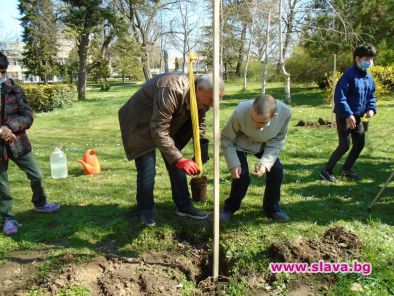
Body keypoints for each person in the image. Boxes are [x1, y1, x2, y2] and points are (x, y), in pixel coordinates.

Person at [119, 73, 224, 227]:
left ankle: (184, 206)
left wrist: (201, 148)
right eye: (211, 100)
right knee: (148, 168)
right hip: (140, 121)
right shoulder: (172, 88)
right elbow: (159, 129)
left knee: (176, 164)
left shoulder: (202, 98)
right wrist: (179, 159)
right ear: (199, 89)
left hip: (164, 122)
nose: (212, 104)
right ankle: (145, 210)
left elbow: (199, 122)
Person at [0, 51, 60, 236]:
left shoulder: (14, 89)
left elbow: (27, 116)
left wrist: (9, 127)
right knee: (2, 184)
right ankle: (7, 218)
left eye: (1, 71)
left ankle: (40, 203)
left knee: (36, 175)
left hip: (17, 140)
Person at [220, 94, 291, 222]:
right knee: (242, 176)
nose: (256, 125)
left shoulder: (285, 113)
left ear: (274, 115)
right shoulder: (241, 111)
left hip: (265, 144)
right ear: (252, 108)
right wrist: (233, 163)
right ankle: (230, 208)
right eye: (253, 119)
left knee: (277, 170)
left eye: (262, 122)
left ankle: (271, 208)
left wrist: (265, 163)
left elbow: (278, 140)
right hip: (241, 142)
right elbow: (227, 138)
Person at [320, 44, 377, 182]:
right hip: (344, 116)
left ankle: (346, 169)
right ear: (357, 59)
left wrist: (371, 109)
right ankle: (326, 171)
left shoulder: (369, 78)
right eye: (367, 58)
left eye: (371, 59)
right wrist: (347, 114)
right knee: (345, 145)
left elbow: (371, 96)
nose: (370, 62)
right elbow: (340, 97)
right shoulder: (348, 76)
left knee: (359, 144)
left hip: (357, 117)